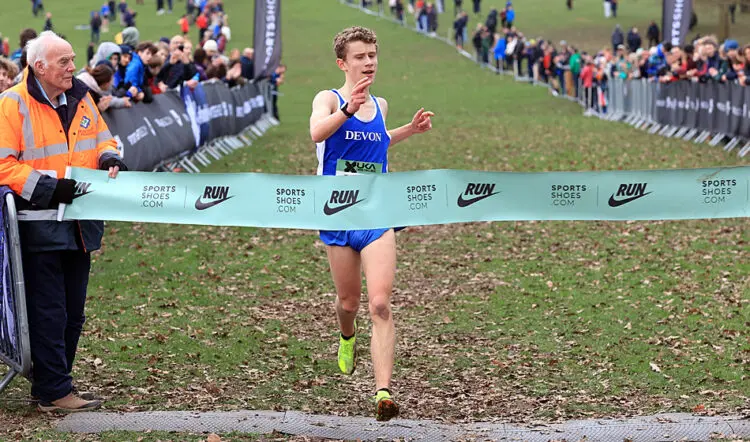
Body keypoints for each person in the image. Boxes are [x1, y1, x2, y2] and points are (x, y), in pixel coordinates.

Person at [308, 26, 434, 422]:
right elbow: (316, 132)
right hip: (337, 213)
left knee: (379, 303)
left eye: (373, 55)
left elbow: (375, 141)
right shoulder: (329, 99)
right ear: (342, 63)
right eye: (360, 56)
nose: (369, 62)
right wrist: (347, 109)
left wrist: (409, 130)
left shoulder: (381, 104)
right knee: (349, 303)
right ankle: (347, 336)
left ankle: (383, 392)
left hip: (378, 213)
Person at [0, 31, 127, 413]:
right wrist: (49, 189)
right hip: (37, 226)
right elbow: (3, 165)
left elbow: (103, 139)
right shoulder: (12, 104)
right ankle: (54, 390)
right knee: (49, 311)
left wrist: (109, 158)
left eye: (72, 59)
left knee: (73, 312)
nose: (74, 67)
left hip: (80, 224)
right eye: (64, 61)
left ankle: (51, 382)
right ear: (39, 67)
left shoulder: (81, 97)